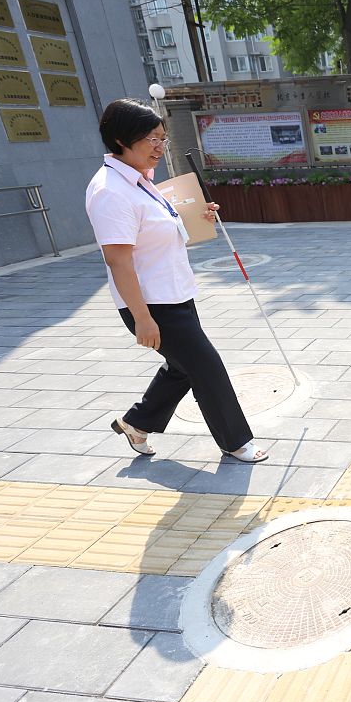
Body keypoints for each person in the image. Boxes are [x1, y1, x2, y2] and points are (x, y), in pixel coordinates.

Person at [85, 98, 268, 463]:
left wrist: (198, 217)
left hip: (174, 294)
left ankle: (137, 423)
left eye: (162, 138)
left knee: (183, 367)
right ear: (122, 139)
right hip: (152, 304)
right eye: (151, 138)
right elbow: (118, 260)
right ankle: (235, 441)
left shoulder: (139, 180)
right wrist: (142, 318)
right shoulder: (110, 191)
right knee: (207, 368)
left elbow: (159, 233)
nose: (160, 146)